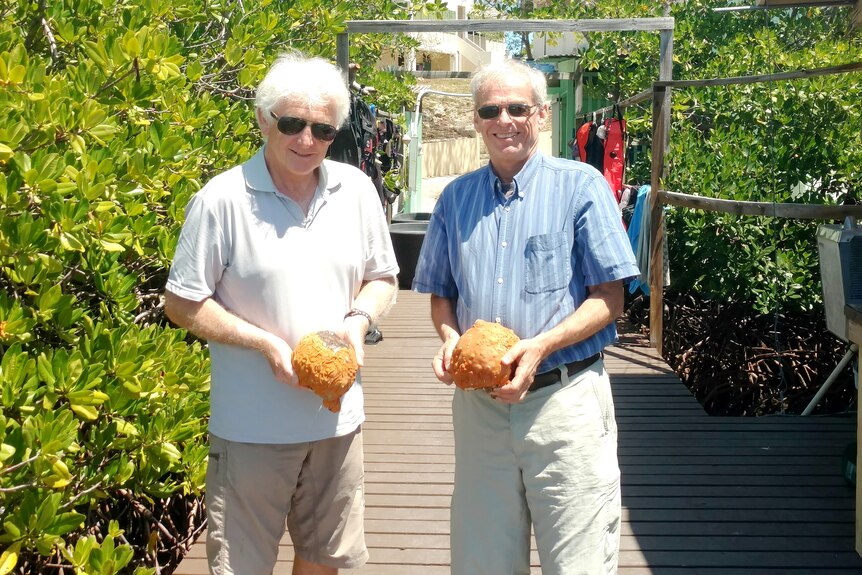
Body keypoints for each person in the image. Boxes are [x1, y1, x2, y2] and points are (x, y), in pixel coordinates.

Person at [163, 52, 399, 575]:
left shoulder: (356, 190)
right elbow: (181, 303)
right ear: (264, 119)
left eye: (323, 129)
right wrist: (265, 344)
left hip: (338, 422)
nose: (306, 140)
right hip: (251, 425)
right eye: (292, 124)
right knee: (243, 565)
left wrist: (357, 322)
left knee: (323, 560)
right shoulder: (221, 199)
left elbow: (383, 276)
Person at [412, 59, 639, 575]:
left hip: (564, 404)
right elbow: (440, 295)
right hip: (480, 414)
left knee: (578, 562)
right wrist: (450, 338)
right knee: (481, 562)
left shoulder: (581, 187)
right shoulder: (455, 199)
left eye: (517, 108)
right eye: (491, 109)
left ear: (540, 114)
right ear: (476, 120)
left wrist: (540, 347)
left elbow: (610, 298)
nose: (504, 119)